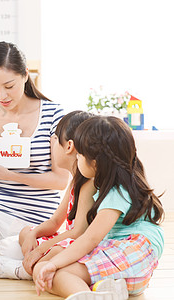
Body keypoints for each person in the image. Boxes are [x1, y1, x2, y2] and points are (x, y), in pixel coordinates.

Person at [0, 41, 70, 268]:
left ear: (26, 75)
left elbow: (61, 180)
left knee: (6, 253)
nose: (1, 96)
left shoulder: (54, 115)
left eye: (9, 86)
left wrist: (10, 175)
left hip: (38, 220)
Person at [34, 116, 165, 300]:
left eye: (79, 155)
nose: (77, 159)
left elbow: (90, 238)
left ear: (94, 162)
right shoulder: (122, 184)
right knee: (47, 270)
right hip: (130, 270)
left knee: (57, 273)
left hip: (135, 251)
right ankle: (103, 291)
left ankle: (88, 296)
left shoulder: (116, 192)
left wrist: (54, 264)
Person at [0, 111, 96, 280]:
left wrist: (41, 249)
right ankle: (22, 261)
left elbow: (78, 232)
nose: (52, 145)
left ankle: (22, 270)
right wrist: (32, 235)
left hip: (78, 243)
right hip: (69, 239)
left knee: (53, 250)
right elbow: (55, 222)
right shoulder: (75, 182)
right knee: (25, 231)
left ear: (69, 146)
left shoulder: (88, 182)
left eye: (55, 140)